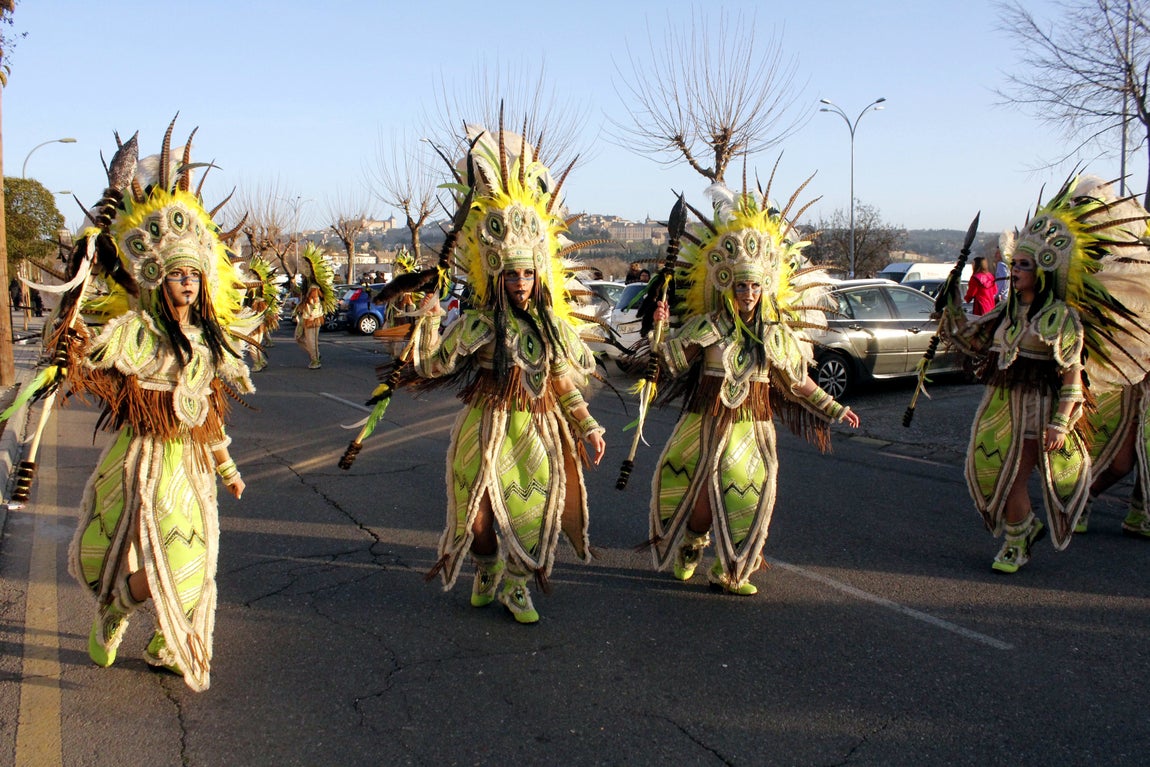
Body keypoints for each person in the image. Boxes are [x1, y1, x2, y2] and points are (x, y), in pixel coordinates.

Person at [62, 125, 254, 691]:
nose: (188, 283)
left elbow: (209, 410)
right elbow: (77, 346)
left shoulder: (209, 341)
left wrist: (226, 467)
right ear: (155, 277)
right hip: (139, 463)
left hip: (190, 468)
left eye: (195, 274)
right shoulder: (135, 333)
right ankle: (115, 612)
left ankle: (164, 638)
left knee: (190, 570)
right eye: (177, 273)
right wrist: (78, 290)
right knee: (124, 557)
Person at [415, 124, 606, 624]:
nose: (520, 283)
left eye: (527, 273)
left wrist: (586, 425)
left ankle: (518, 586)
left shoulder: (551, 327)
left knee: (531, 515)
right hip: (483, 426)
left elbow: (563, 381)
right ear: (495, 272)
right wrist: (431, 322)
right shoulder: (477, 324)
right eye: (511, 273)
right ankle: (487, 565)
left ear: (538, 273)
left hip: (536, 431)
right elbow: (434, 365)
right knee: (473, 516)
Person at [647, 183, 860, 596]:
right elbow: (670, 362)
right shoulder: (708, 326)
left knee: (749, 495)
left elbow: (796, 383)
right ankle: (693, 543)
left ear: (765, 288)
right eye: (741, 286)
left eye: (754, 286)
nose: (747, 294)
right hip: (707, 422)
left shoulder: (777, 336)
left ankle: (732, 568)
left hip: (753, 426)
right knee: (706, 494)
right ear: (728, 284)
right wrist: (659, 327)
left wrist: (833, 408)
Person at [939, 175, 1150, 573]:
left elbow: (1073, 375)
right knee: (995, 475)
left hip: (1038, 410)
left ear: (1043, 271)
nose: (1013, 270)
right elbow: (972, 341)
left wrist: (1060, 422)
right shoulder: (1007, 312)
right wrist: (950, 306)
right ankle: (1023, 530)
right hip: (1002, 407)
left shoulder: (1061, 319)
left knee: (1015, 477)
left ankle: (1018, 543)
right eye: (1013, 263)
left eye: (1022, 265)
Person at [993, 235, 1011, 303]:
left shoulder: (1001, 265)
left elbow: (1003, 281)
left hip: (1002, 298)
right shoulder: (1007, 265)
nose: (995, 255)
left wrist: (998, 294)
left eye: (997, 253)